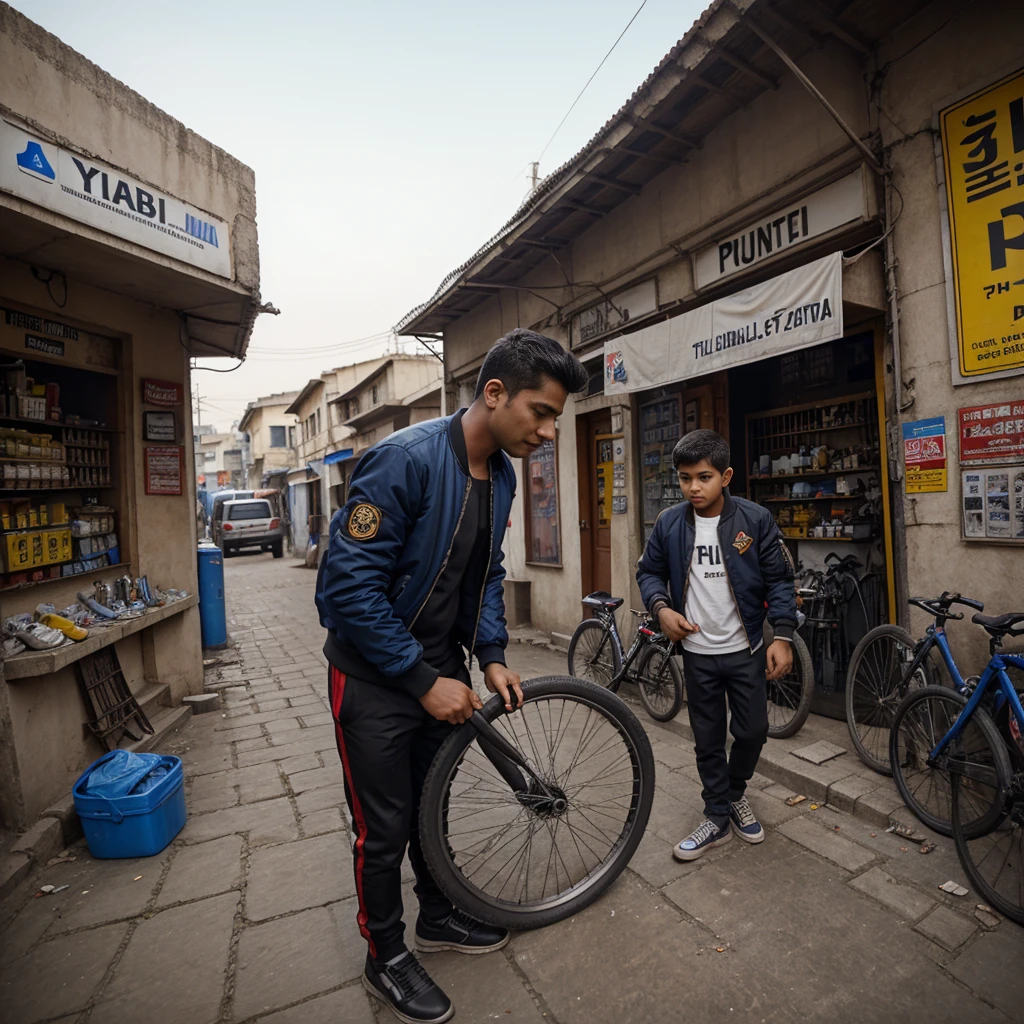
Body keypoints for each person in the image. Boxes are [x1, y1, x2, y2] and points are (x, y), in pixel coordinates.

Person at [315, 328, 588, 1024]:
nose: (550, 431)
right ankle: (385, 954)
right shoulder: (402, 462)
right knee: (382, 827)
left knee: (429, 809)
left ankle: (438, 916)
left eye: (556, 417)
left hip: (444, 670)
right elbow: (345, 591)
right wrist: (418, 677)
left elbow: (485, 572)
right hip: (375, 680)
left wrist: (491, 654)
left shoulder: (500, 473)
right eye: (540, 411)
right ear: (494, 394)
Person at [636, 429, 796, 862]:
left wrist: (782, 636)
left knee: (752, 731)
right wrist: (661, 609)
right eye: (685, 478)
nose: (693, 487)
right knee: (707, 738)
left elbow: (781, 580)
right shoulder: (669, 524)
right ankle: (716, 815)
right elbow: (648, 572)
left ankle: (734, 792)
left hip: (744, 650)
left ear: (725, 476)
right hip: (698, 654)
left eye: (703, 477)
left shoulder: (755, 521)